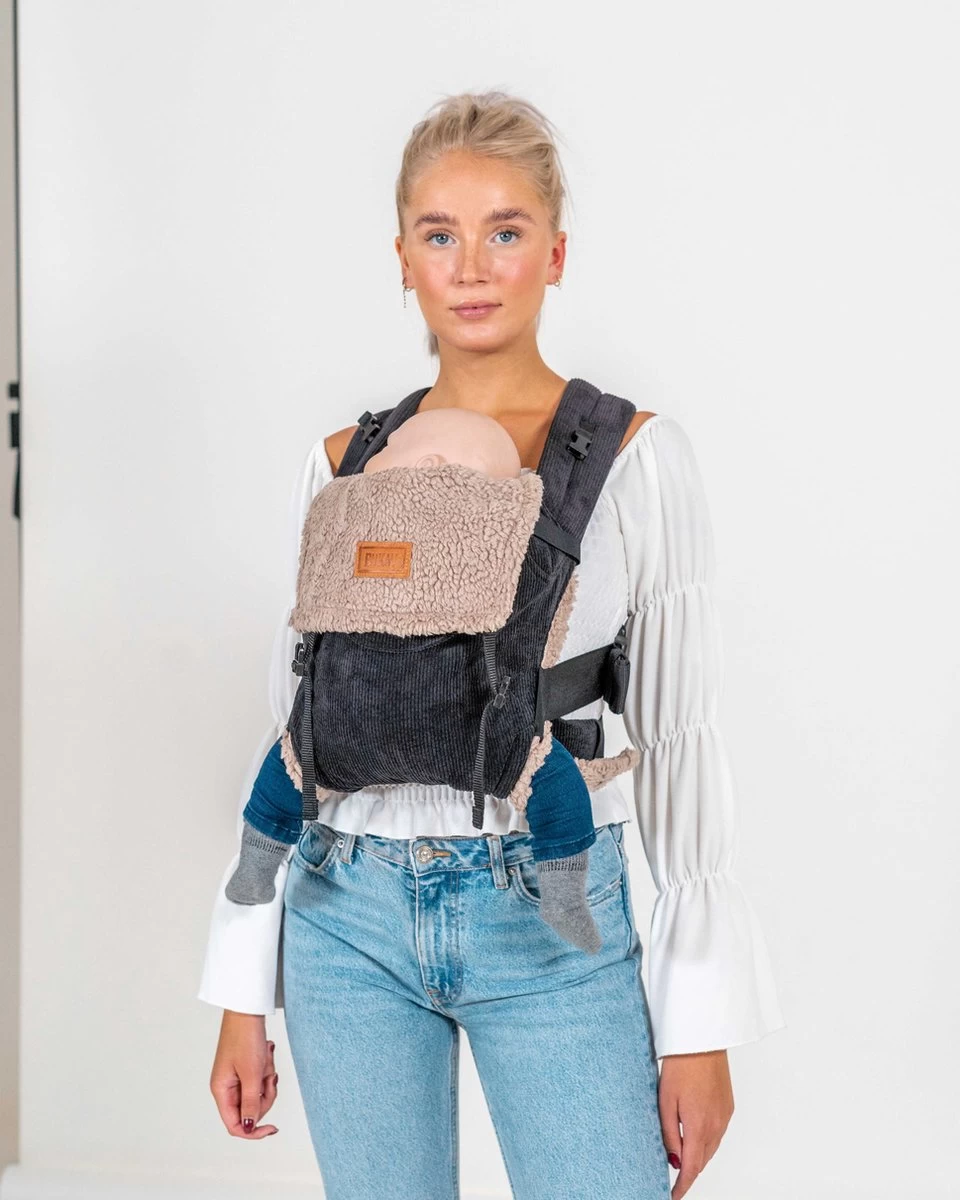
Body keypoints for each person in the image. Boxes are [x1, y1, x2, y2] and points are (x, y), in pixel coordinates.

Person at [201, 90, 786, 1200]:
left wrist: (699, 1023)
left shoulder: (633, 458)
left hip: (550, 914)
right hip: (343, 916)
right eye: (440, 235)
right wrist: (240, 990)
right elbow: (298, 723)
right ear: (403, 259)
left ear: (555, 253)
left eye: (505, 231)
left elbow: (679, 739)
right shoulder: (342, 462)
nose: (471, 267)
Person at [224, 405, 617, 955]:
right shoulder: (510, 537)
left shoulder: (348, 520)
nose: (375, 454)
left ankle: (256, 862)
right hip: (482, 744)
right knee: (554, 782)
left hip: (344, 741)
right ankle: (564, 892)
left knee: (290, 764)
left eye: (389, 447)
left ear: (430, 467)